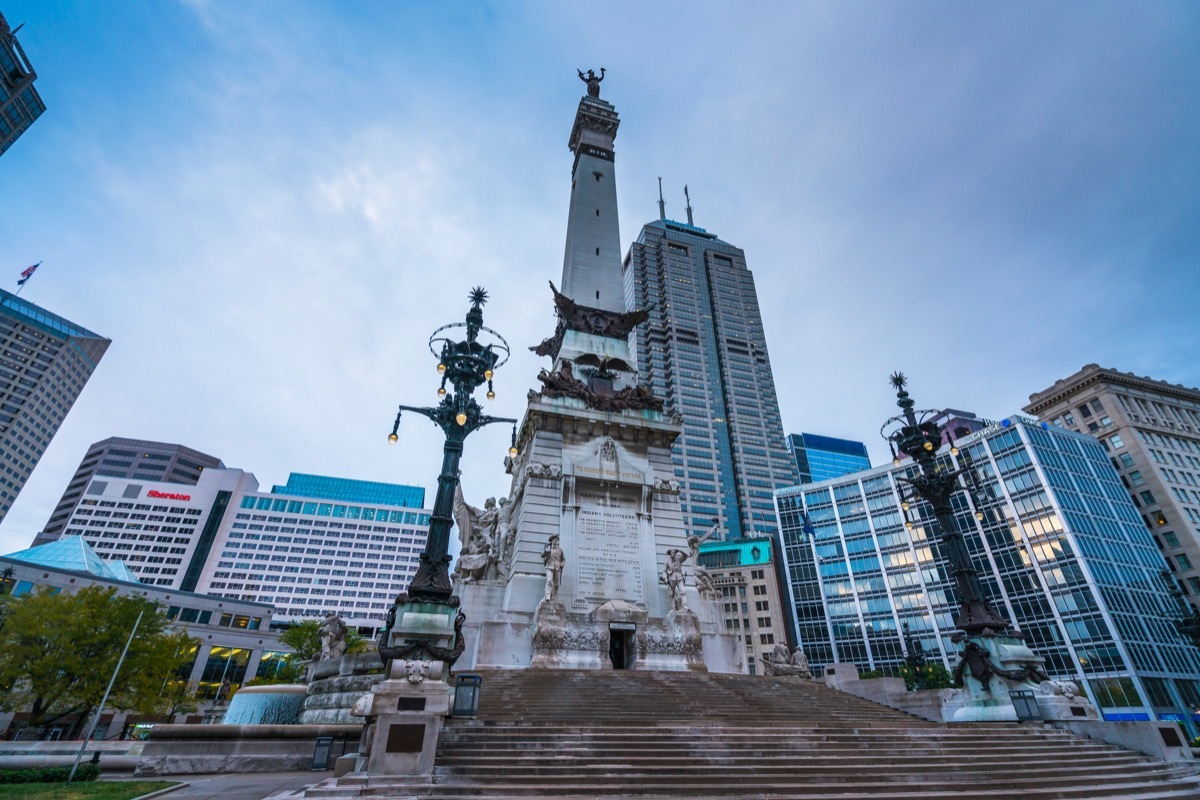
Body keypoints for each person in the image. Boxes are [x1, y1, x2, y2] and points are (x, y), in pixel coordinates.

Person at [542, 535, 565, 603]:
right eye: (554, 539)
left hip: (557, 567)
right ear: (551, 540)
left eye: (556, 539)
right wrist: (545, 551)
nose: (555, 541)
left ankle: (553, 597)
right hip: (550, 566)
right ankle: (548, 596)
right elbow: (542, 555)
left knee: (556, 584)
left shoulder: (560, 550)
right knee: (549, 580)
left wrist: (562, 564)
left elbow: (563, 559)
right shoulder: (548, 548)